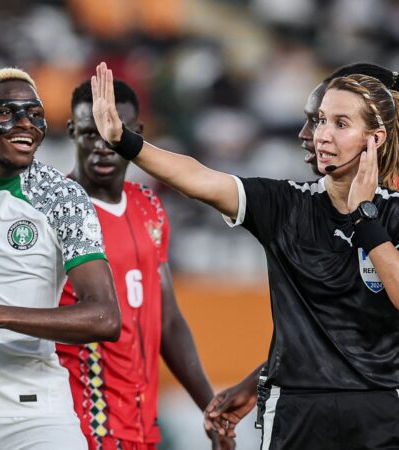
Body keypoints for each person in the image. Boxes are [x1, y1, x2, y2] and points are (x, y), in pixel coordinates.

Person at [91, 62, 399, 449]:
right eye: (321, 120)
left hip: (381, 407)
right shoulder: (284, 203)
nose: (320, 135)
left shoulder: (394, 214)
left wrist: (364, 218)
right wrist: (124, 140)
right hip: (296, 407)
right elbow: (199, 178)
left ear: (375, 138)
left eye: (340, 124)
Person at [0, 14, 121, 450]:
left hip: (35, 416)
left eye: (36, 115)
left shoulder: (60, 197)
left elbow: (105, 317)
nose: (26, 123)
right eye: (8, 113)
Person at [204, 62, 399, 438]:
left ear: (376, 132)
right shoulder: (319, 200)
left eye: (329, 121)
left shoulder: (384, 202)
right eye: (316, 120)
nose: (308, 134)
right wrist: (262, 377)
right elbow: (342, 323)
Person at [56, 78, 235, 450]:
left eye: (113, 134)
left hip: (140, 425)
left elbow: (167, 319)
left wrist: (210, 407)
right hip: (81, 425)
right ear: (72, 131)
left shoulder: (148, 206)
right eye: (90, 133)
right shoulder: (57, 211)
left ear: (137, 133)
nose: (102, 148)